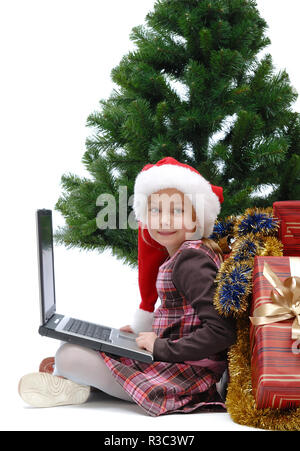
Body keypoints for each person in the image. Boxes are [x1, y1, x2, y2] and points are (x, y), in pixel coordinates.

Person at [18, 157, 236, 416]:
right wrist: (142, 333)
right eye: (156, 210)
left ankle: (75, 380)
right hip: (178, 360)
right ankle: (77, 381)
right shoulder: (184, 254)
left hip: (191, 375)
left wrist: (160, 347)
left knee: (69, 355)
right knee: (82, 349)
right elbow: (186, 315)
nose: (164, 221)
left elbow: (222, 331)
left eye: (176, 211)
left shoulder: (191, 260)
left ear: (196, 220)